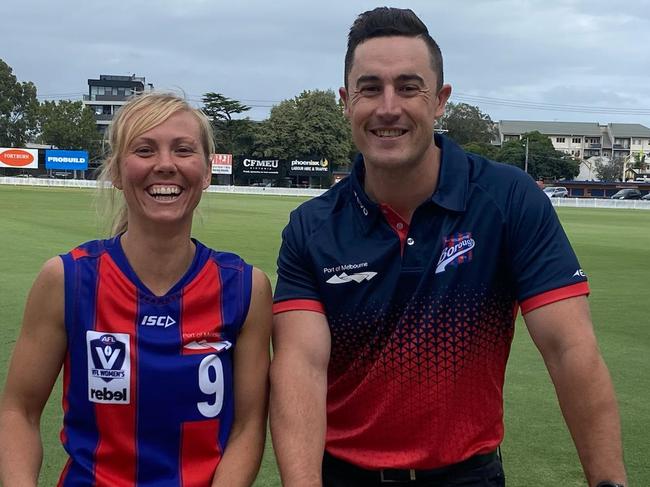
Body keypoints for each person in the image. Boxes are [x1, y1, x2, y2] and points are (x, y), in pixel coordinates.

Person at [270, 7, 626, 487]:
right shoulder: (310, 227)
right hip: (346, 475)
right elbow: (301, 372)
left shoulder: (508, 199)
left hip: (468, 476)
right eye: (370, 88)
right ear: (345, 102)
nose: (388, 107)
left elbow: (569, 349)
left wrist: (608, 482)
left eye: (409, 87)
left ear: (440, 101)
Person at [0, 92, 272, 486]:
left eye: (183, 150)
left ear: (207, 171)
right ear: (115, 170)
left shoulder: (246, 287)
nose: (165, 165)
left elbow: (247, 427)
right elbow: (19, 411)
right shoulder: (66, 279)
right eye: (144, 150)